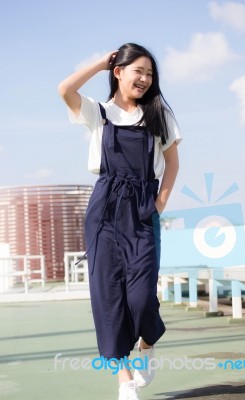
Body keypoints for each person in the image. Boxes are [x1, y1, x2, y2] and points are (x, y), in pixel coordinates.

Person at [58, 42, 181, 400]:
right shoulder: (99, 113)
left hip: (142, 208)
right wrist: (99, 62)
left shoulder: (159, 114)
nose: (144, 78)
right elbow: (65, 89)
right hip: (105, 211)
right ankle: (123, 378)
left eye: (149, 73)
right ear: (119, 72)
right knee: (107, 295)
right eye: (138, 71)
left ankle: (147, 341)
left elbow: (172, 164)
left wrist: (158, 204)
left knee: (142, 296)